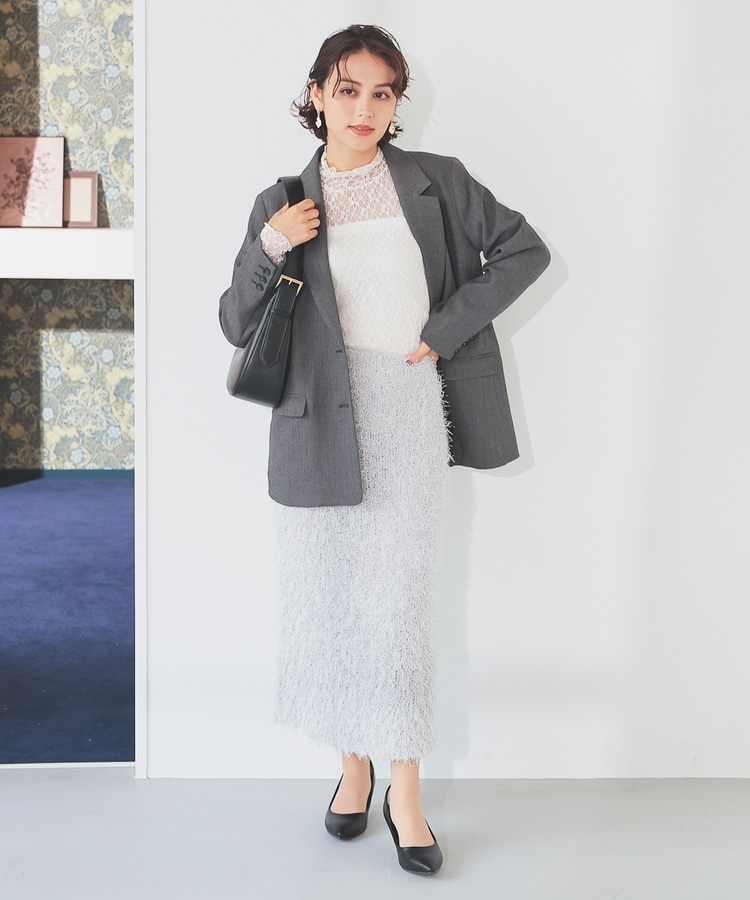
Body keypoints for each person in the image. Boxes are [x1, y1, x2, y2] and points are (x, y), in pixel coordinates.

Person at [219, 24, 550, 876]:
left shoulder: (437, 182)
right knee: (330, 601)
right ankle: (352, 769)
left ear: (398, 102)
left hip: (405, 409)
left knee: (396, 606)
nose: (364, 108)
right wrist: (272, 244)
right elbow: (234, 322)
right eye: (348, 89)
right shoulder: (282, 201)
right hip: (314, 420)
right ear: (317, 95)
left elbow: (524, 250)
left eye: (382, 92)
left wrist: (444, 330)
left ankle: (405, 792)